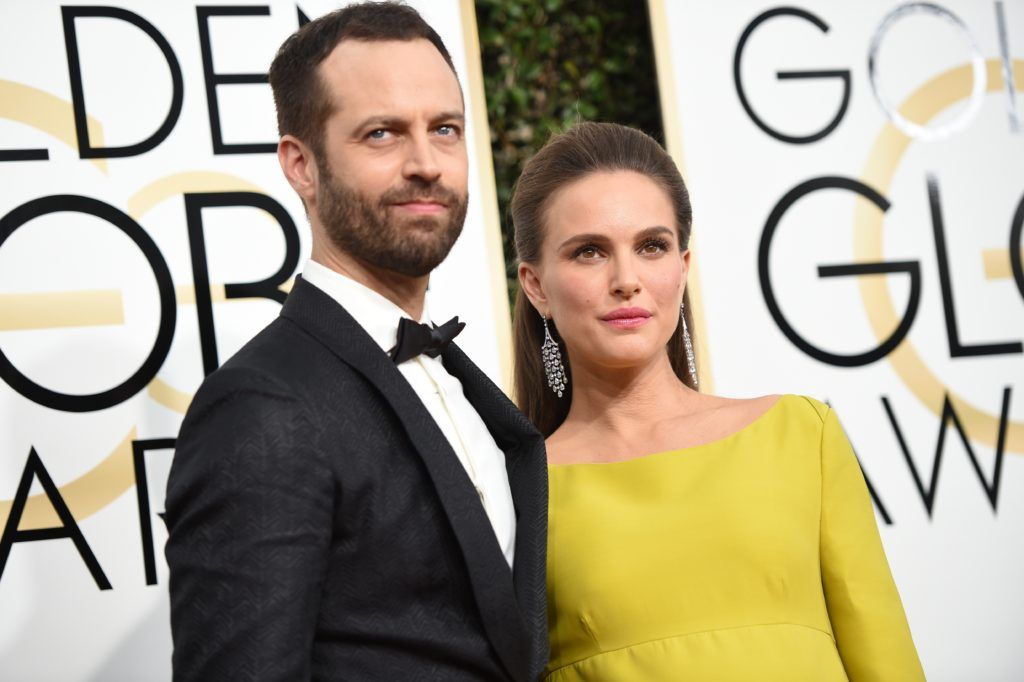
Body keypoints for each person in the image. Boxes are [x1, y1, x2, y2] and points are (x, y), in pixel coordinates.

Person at [164, 4, 547, 680]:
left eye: (446, 129)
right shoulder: (264, 407)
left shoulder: (452, 376)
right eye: (381, 134)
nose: (426, 163)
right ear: (302, 166)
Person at [510, 121, 924, 681]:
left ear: (682, 269)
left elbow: (886, 660)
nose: (626, 278)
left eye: (651, 246)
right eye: (589, 252)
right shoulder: (518, 492)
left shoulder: (801, 435)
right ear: (536, 286)